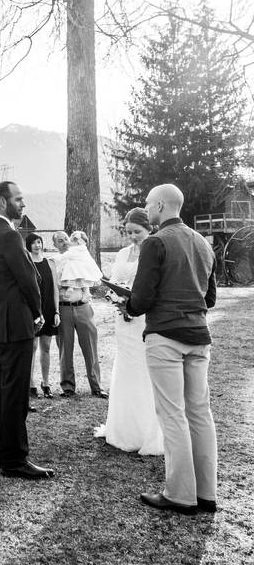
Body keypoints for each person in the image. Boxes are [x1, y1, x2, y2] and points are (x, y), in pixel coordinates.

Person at [124, 184, 218, 515]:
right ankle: (207, 494)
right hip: (199, 335)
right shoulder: (203, 243)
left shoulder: (155, 242)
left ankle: (180, 494)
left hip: (165, 336)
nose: (146, 208)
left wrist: (129, 305)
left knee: (173, 415)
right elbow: (209, 299)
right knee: (200, 414)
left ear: (161, 205)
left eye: (148, 204)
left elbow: (142, 298)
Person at [0, 181, 54, 479]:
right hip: (16, 324)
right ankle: (15, 459)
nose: (23, 204)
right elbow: (29, 279)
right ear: (1, 202)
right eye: (18, 199)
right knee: (15, 392)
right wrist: (37, 313)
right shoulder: (8, 234)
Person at [94, 208, 164, 455]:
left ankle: (146, 430)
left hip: (144, 319)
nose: (133, 236)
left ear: (149, 229)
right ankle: (123, 428)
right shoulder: (123, 253)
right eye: (130, 232)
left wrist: (134, 304)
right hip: (123, 320)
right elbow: (114, 282)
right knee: (125, 368)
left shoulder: (154, 251)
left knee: (144, 370)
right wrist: (115, 298)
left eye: (138, 232)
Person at [54, 229, 107, 398]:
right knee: (65, 347)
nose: (64, 242)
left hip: (83, 307)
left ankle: (96, 386)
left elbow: (88, 278)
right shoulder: (55, 262)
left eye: (66, 239)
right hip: (64, 308)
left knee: (90, 346)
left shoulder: (81, 258)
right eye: (60, 241)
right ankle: (68, 387)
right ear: (54, 244)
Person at [26, 233, 59, 399]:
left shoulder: (49, 263)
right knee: (32, 348)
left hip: (49, 309)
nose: (37, 246)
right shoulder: (27, 263)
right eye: (33, 243)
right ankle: (30, 383)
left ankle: (46, 383)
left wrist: (57, 312)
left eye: (39, 242)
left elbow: (55, 289)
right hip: (34, 311)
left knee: (46, 347)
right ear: (28, 246)